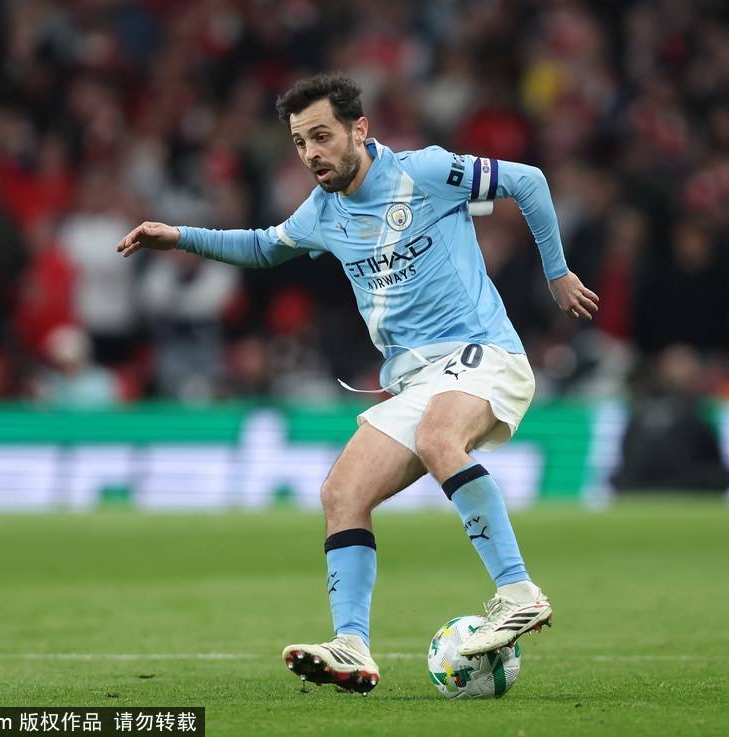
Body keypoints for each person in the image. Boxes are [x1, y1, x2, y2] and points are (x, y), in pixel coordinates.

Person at [116, 73, 599, 695]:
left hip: (483, 353)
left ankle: (517, 591)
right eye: (300, 142)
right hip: (418, 381)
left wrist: (557, 273)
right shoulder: (323, 212)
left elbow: (527, 181)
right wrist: (179, 237)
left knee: (438, 438)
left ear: (359, 130)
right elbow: (263, 247)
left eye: (321, 136)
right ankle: (351, 645)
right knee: (341, 494)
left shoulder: (424, 172)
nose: (310, 153)